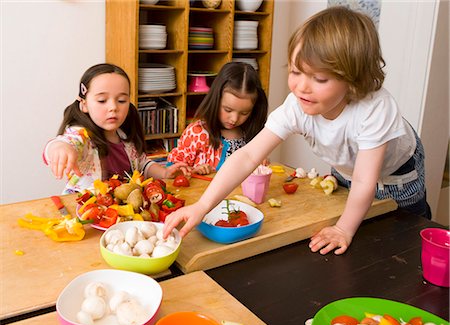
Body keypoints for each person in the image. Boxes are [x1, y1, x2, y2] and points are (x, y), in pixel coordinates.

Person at [163, 6, 431, 255]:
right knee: (364, 229)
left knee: (404, 232)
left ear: (353, 79)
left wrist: (343, 229)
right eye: (295, 71)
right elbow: (246, 156)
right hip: (350, 165)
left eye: (320, 78)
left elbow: (365, 180)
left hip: (397, 174)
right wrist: (201, 205)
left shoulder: (375, 107)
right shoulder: (298, 105)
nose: (302, 87)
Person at [43, 63, 190, 194]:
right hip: (85, 210)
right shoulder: (82, 136)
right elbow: (68, 142)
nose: (113, 107)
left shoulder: (125, 137)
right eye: (102, 100)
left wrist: (164, 172)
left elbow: (142, 164)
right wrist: (59, 147)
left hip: (123, 210)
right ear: (84, 104)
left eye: (121, 100)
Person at [166, 61, 268, 175]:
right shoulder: (197, 133)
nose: (234, 119)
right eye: (228, 110)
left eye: (244, 113)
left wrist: (261, 165)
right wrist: (194, 171)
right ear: (216, 100)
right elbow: (172, 172)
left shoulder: (251, 134)